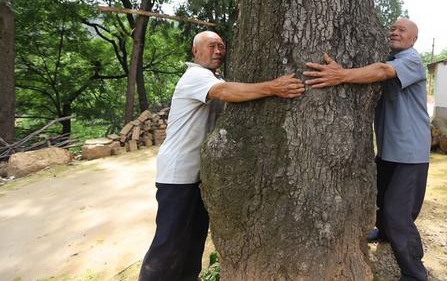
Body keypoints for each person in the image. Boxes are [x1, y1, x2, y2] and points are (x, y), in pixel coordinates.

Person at [139, 31, 304, 281]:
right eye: (211, 46)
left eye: (221, 46)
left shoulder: (212, 77)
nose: (218, 51)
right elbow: (225, 92)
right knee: (169, 244)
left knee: (192, 243)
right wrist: (274, 87)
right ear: (195, 51)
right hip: (178, 174)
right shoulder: (196, 76)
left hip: (196, 175)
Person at [303, 18, 431, 281]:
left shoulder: (412, 59)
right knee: (382, 201)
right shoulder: (389, 57)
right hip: (389, 150)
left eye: (402, 30)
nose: (395, 32)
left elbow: (383, 71)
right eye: (393, 28)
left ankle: (415, 273)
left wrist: (341, 75)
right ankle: (384, 233)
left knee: (398, 213)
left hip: (410, 153)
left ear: (413, 39)